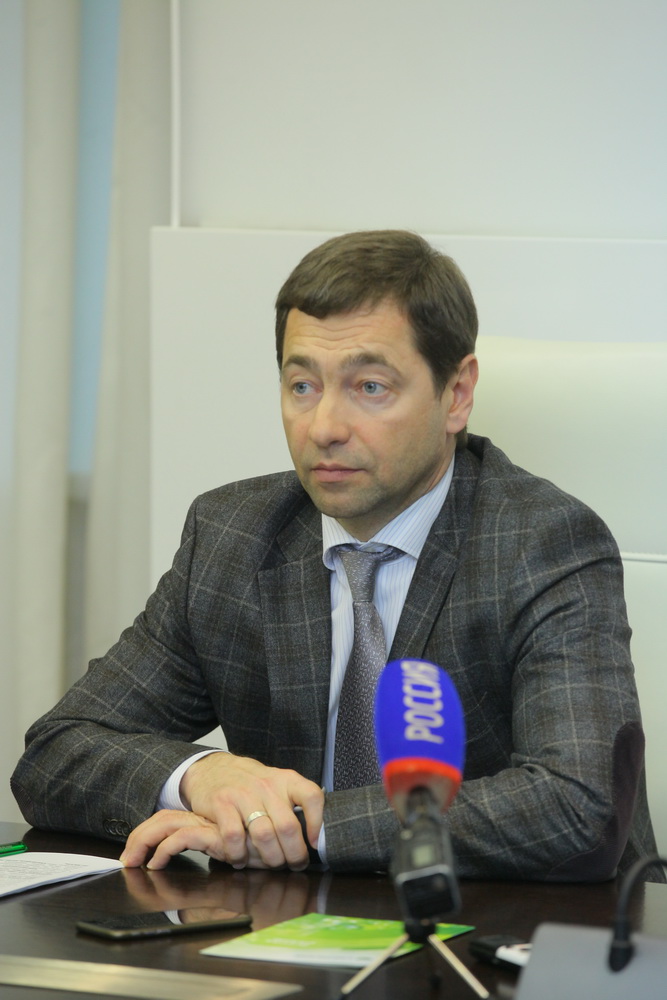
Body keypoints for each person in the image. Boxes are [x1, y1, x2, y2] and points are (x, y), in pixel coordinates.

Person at [11, 230, 660, 881]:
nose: (323, 427)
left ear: (457, 394)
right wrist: (201, 775)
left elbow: (578, 804)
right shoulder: (232, 536)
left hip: (512, 926)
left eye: (369, 386)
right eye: (302, 385)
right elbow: (56, 752)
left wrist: (310, 826)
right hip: (286, 926)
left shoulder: (543, 543)